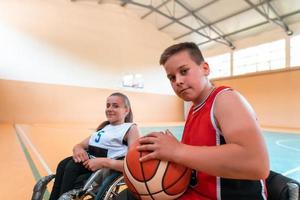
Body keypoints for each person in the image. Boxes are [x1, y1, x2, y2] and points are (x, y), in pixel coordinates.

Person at [119, 42, 270, 200]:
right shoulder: (194, 110)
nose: (178, 81)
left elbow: (257, 164)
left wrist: (178, 150)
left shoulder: (225, 98)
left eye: (184, 71)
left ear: (205, 68)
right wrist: (168, 151)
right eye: (171, 77)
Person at [49, 92, 140, 200]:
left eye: (115, 106)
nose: (110, 108)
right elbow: (80, 145)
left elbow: (133, 164)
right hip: (90, 162)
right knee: (63, 164)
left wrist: (103, 162)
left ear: (126, 110)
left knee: (72, 166)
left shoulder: (130, 128)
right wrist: (78, 149)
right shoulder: (105, 127)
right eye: (108, 105)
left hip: (103, 168)